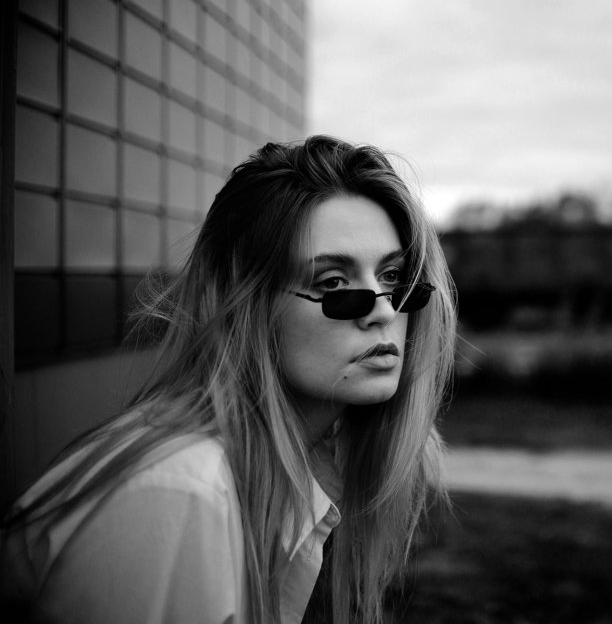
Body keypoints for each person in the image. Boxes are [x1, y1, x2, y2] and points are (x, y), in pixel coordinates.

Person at [1, 136, 457, 624]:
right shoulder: (179, 491)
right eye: (332, 283)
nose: (383, 311)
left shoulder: (309, 466)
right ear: (248, 305)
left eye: (393, 277)